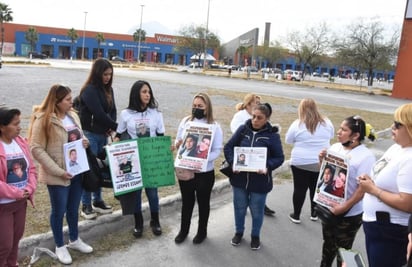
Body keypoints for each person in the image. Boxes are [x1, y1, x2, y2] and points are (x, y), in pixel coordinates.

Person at [28, 84, 93, 265]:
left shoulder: (73, 116)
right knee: (59, 211)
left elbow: (77, 136)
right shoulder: (44, 120)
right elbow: (36, 148)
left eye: (71, 98)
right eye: (67, 99)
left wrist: (84, 141)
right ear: (56, 102)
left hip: (77, 171)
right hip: (58, 175)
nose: (72, 102)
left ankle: (74, 239)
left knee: (73, 209)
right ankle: (59, 245)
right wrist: (58, 171)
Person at [358, 103, 412, 267]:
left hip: (391, 230)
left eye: (397, 124)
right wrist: (370, 180)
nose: (392, 127)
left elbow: (407, 203)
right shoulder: (397, 148)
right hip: (377, 226)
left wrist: (373, 189)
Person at [224, 103, 284, 250]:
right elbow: (228, 147)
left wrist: (267, 166)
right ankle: (238, 232)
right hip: (239, 180)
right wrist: (234, 163)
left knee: (257, 210)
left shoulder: (272, 136)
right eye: (253, 116)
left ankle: (255, 236)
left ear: (267, 119)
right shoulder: (242, 130)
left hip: (260, 182)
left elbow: (279, 157)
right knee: (239, 208)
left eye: (259, 118)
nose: (255, 120)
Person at [318, 115, 375, 267]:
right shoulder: (336, 147)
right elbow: (324, 175)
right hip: (329, 207)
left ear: (355, 135)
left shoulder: (366, 157)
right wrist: (321, 160)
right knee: (328, 245)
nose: (339, 132)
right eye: (340, 128)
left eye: (344, 130)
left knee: (343, 251)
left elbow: (362, 189)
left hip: (349, 214)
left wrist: (345, 206)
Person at [114, 80, 165, 238]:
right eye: (144, 92)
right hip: (133, 160)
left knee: (152, 193)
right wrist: (112, 148)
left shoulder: (156, 114)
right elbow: (118, 135)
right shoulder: (125, 114)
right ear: (136, 93)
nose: (147, 95)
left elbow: (161, 136)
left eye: (149, 92)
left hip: (151, 159)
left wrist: (165, 150)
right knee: (136, 193)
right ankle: (138, 222)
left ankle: (155, 220)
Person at [173, 92, 223, 244]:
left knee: (203, 203)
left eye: (200, 106)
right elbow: (178, 140)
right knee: (187, 202)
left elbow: (217, 150)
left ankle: (202, 232)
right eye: (194, 106)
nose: (196, 109)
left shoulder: (214, 126)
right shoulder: (186, 121)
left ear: (207, 108)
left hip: (204, 172)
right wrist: (178, 144)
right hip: (186, 170)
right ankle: (184, 230)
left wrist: (202, 159)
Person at [77, 58, 117, 219]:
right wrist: (116, 127)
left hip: (102, 135)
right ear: (97, 73)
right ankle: (85, 204)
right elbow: (99, 113)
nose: (107, 77)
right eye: (105, 74)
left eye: (110, 74)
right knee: (89, 170)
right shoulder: (89, 90)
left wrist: (110, 126)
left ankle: (97, 201)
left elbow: (112, 110)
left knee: (100, 169)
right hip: (90, 135)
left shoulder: (109, 90)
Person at [285, 98, 335, 224]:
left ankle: (296, 215)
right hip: (320, 161)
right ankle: (314, 213)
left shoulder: (297, 124)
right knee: (316, 188)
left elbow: (288, 140)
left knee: (299, 189)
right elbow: (331, 136)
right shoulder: (327, 123)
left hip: (300, 161)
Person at [0, 107, 37, 267]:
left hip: (21, 203)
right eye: (15, 124)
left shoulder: (20, 143)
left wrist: (30, 188)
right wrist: (16, 192)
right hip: (3, 206)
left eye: (19, 123)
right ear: (2, 127)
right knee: (4, 246)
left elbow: (32, 170)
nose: (19, 127)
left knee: (15, 241)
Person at [230, 93, 275, 216]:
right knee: (244, 182)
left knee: (257, 181)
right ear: (249, 104)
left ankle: (260, 205)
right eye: (256, 102)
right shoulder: (240, 116)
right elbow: (236, 133)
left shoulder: (257, 116)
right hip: (244, 153)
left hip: (256, 154)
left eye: (260, 103)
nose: (259, 105)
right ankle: (243, 206)